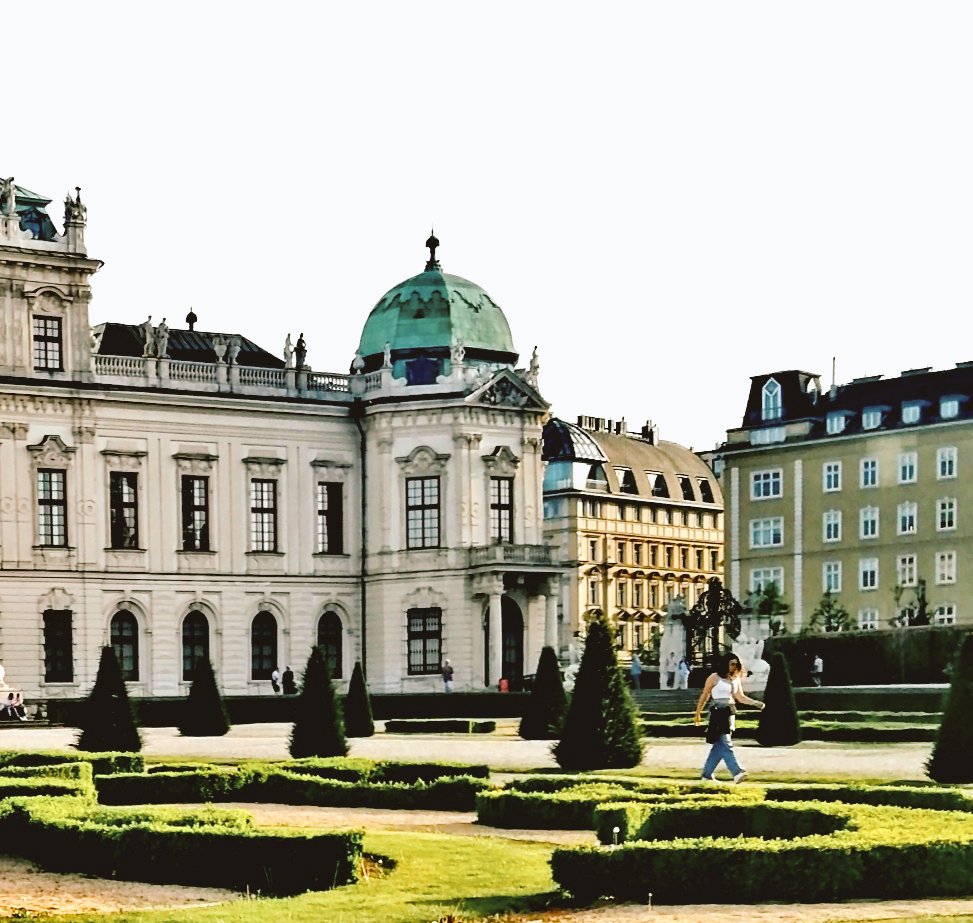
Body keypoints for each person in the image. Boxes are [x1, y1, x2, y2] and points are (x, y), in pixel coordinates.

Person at [693, 651, 765, 783]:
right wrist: (698, 713)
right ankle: (736, 772)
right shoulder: (714, 677)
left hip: (729, 712)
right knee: (726, 743)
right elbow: (705, 696)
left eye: (736, 665)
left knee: (719, 746)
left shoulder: (735, 679)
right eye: (732, 664)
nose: (734, 667)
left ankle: (707, 775)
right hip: (717, 712)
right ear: (725, 664)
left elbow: (740, 697)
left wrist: (756, 703)